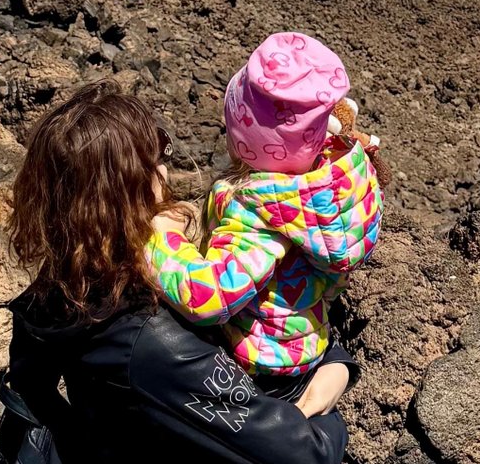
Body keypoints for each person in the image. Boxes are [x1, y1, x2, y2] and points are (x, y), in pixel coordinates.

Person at [0, 83, 356, 464]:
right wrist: (328, 407)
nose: (166, 164)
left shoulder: (65, 276)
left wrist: (336, 359)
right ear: (134, 185)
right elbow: (305, 455)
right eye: (156, 150)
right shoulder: (158, 339)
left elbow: (31, 391)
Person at [143, 33, 381, 408]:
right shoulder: (338, 182)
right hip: (306, 345)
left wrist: (159, 239)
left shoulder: (261, 211)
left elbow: (209, 297)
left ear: (244, 137)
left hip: (257, 368)